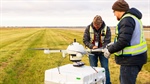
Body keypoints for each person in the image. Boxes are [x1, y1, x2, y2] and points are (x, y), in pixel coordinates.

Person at [103, 0, 148, 84]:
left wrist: (110, 50)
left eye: (114, 11)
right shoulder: (133, 18)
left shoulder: (127, 20)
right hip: (136, 58)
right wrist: (114, 44)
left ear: (118, 10)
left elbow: (123, 41)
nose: (114, 14)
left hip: (130, 60)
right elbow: (128, 38)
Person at [83, 15, 111, 84]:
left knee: (105, 68)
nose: (96, 27)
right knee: (93, 69)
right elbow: (85, 40)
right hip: (92, 52)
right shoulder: (88, 28)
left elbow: (107, 41)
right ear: (93, 23)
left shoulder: (107, 29)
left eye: (98, 26)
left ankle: (107, 82)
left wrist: (102, 48)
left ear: (101, 24)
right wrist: (92, 46)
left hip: (103, 52)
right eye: (95, 25)